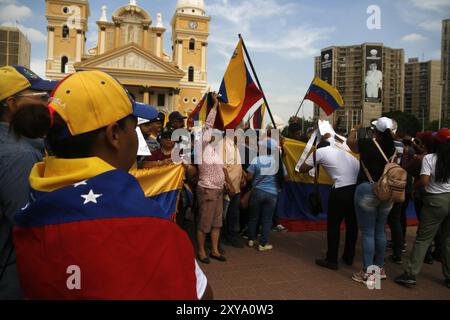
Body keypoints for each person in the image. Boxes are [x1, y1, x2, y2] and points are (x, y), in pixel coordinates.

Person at [10, 70, 211, 300]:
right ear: (114, 134)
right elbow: (201, 295)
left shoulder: (31, 214)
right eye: (133, 126)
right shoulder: (146, 225)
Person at [0, 66, 58, 299]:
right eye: (41, 97)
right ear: (12, 103)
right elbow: (28, 225)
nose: (47, 104)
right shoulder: (18, 155)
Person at [395, 128, 450, 289]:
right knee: (448, 240)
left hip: (435, 201)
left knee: (424, 239)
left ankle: (411, 274)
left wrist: (415, 187)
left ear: (436, 142)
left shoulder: (430, 158)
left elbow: (424, 181)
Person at [299, 135, 360, 270]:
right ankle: (348, 258)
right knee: (352, 225)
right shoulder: (344, 153)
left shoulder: (319, 152)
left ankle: (331, 259)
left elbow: (302, 169)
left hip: (340, 190)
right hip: (355, 190)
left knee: (334, 225)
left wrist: (314, 156)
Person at [347, 117, 396, 283]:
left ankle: (368, 272)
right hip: (387, 191)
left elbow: (350, 143)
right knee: (380, 230)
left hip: (367, 189)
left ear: (375, 130)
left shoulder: (367, 144)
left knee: (368, 232)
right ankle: (379, 268)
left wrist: (354, 129)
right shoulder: (393, 148)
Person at [196, 93, 226, 265]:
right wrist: (215, 106)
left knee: (216, 223)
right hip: (207, 189)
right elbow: (208, 124)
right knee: (204, 223)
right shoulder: (202, 147)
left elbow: (221, 169)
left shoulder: (214, 151)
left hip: (219, 190)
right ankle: (201, 251)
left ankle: (214, 250)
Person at [246, 138, 288, 252]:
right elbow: (285, 177)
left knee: (253, 216)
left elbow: (249, 177)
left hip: (257, 192)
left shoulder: (257, 159)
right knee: (267, 219)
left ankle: (251, 239)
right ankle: (263, 243)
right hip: (272, 194)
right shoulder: (278, 162)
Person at [222, 136, 246, 248]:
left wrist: (243, 177)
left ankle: (230, 236)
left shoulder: (235, 146)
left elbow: (237, 166)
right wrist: (230, 185)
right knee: (222, 215)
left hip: (236, 188)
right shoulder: (223, 144)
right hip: (227, 188)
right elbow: (223, 167)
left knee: (232, 214)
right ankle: (219, 239)